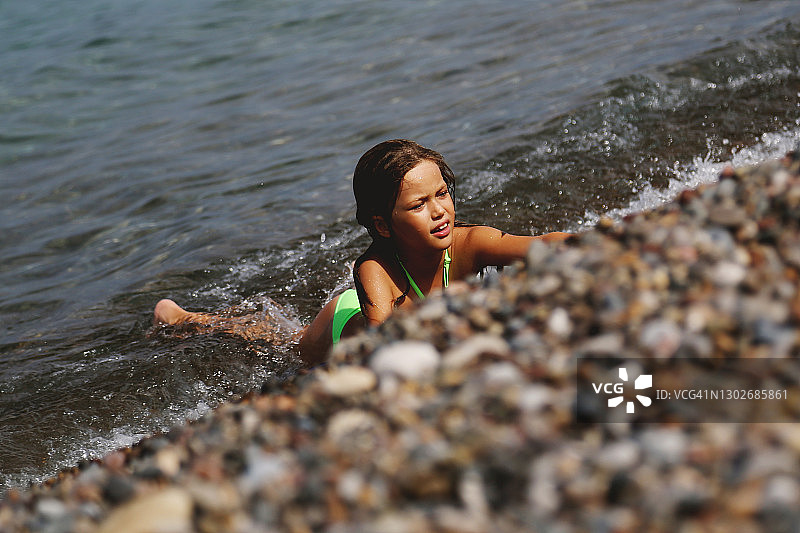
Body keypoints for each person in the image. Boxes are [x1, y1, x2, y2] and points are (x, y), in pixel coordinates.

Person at [154, 139, 570, 366]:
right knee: (275, 344)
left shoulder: (470, 243)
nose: (439, 210)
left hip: (394, 311)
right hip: (344, 324)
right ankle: (184, 317)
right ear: (383, 224)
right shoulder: (375, 267)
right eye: (418, 204)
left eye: (441, 193)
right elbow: (381, 338)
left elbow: (543, 244)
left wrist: (594, 241)